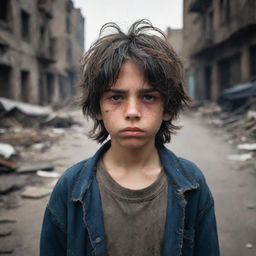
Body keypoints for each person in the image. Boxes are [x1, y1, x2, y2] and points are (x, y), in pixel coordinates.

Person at [40, 19, 219, 256]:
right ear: (96, 107)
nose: (132, 112)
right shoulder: (71, 186)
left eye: (148, 97)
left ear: (167, 108)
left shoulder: (192, 183)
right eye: (116, 97)